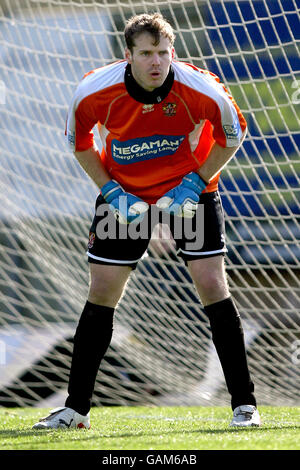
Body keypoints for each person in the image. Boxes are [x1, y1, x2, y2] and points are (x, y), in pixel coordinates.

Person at [32, 13, 260, 429]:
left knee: (211, 285)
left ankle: (244, 405)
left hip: (188, 193)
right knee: (101, 293)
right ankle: (76, 410)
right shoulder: (93, 91)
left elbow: (233, 134)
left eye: (163, 53)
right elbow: (79, 144)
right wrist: (112, 191)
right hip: (125, 197)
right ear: (128, 56)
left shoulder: (200, 88)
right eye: (146, 53)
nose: (157, 62)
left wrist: (195, 183)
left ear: (172, 52)